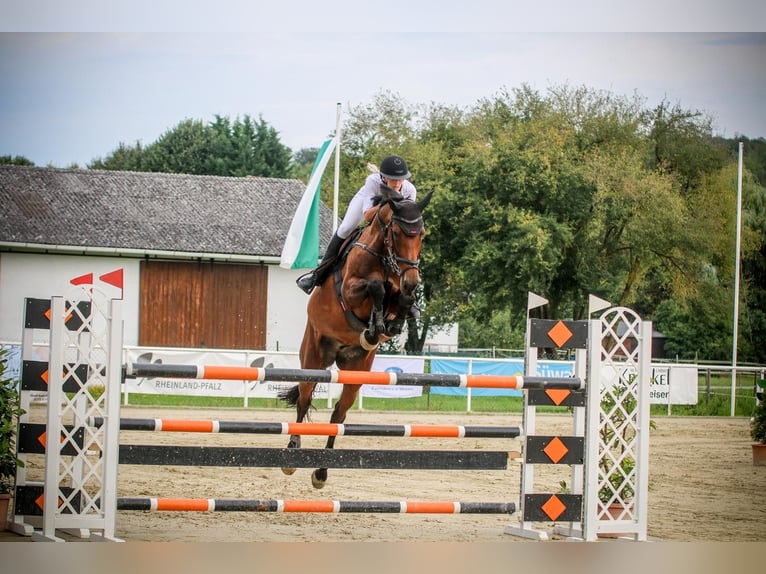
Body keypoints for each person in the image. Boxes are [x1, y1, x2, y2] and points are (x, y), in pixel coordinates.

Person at [296, 154, 417, 294]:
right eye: (392, 179)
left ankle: (410, 294)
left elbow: (407, 218)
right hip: (369, 205)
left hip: (390, 216)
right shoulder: (372, 181)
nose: (396, 183)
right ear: (383, 177)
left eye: (400, 179)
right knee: (345, 228)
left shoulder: (410, 190)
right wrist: (387, 204)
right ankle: (317, 274)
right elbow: (367, 216)